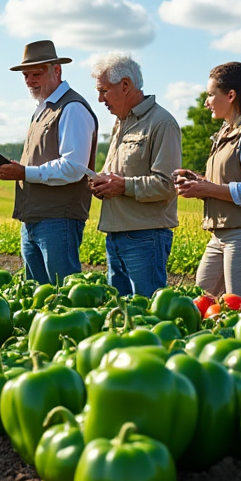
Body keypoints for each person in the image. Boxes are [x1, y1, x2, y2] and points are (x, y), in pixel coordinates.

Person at [0, 40, 98, 285]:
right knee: (36, 296)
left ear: (56, 70)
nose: (29, 81)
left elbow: (74, 168)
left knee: (63, 296)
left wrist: (24, 172)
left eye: (36, 74)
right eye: (26, 75)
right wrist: (16, 170)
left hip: (59, 220)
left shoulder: (73, 108)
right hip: (33, 219)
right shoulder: (42, 109)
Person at [174, 62, 241, 300]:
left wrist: (207, 187)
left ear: (231, 95)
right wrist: (198, 182)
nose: (206, 102)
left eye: (211, 95)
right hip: (221, 233)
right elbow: (224, 182)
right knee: (202, 298)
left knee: (239, 308)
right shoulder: (227, 131)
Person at [88, 53, 180, 298]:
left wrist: (122, 186)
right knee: (121, 315)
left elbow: (167, 185)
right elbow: (121, 176)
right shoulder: (120, 123)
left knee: (148, 314)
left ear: (125, 85)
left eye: (104, 91)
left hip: (144, 237)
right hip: (115, 235)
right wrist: (103, 183)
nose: (99, 99)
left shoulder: (162, 122)